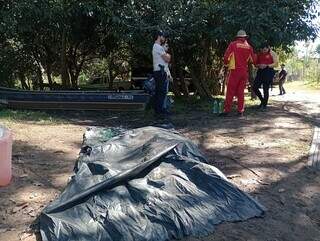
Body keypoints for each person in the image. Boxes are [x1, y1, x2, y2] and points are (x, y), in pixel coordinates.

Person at [220, 30, 256, 117]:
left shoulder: (233, 44)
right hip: (244, 72)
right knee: (241, 92)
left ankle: (227, 110)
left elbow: (226, 57)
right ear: (245, 37)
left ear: (237, 37)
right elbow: (253, 60)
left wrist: (226, 63)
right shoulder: (249, 47)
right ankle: (240, 111)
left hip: (235, 70)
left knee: (230, 91)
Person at [253, 43, 278, 110]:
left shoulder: (272, 53)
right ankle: (262, 101)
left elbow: (276, 63)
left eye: (265, 50)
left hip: (268, 71)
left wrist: (267, 65)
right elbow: (255, 64)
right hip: (260, 71)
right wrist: (258, 65)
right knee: (254, 87)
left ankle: (264, 105)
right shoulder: (259, 53)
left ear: (268, 48)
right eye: (262, 50)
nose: (263, 51)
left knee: (265, 89)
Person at [152, 31, 171, 116]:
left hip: (160, 72)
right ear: (159, 37)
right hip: (160, 72)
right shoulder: (157, 47)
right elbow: (167, 59)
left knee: (161, 92)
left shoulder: (158, 47)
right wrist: (168, 55)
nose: (164, 38)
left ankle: (160, 110)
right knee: (161, 92)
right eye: (163, 36)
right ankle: (159, 111)